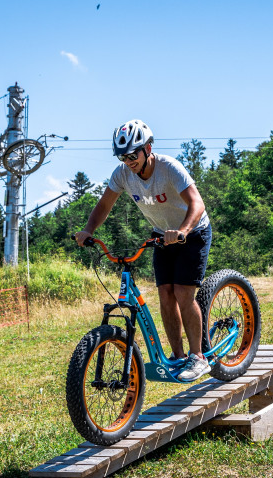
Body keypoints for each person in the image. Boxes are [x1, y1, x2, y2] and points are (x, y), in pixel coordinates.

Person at [75, 119, 212, 382]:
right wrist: (88, 230)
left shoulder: (169, 168)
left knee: (183, 293)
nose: (128, 161)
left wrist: (183, 231)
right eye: (122, 157)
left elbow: (197, 204)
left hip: (192, 232)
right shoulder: (122, 174)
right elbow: (104, 206)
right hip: (162, 235)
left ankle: (198, 357)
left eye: (132, 155)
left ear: (147, 148)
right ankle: (178, 356)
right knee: (165, 295)